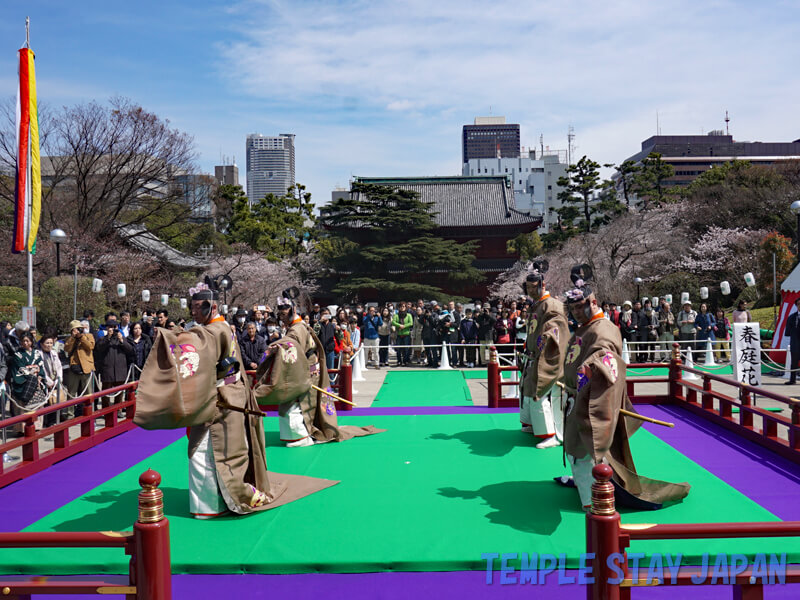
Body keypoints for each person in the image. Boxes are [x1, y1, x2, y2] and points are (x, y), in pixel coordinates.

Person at [136, 285, 332, 518]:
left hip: (221, 401)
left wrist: (166, 335)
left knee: (205, 453)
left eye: (199, 307)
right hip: (228, 397)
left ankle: (209, 505)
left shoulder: (212, 331)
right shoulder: (217, 329)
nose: (194, 312)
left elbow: (193, 346)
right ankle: (215, 500)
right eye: (193, 307)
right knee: (221, 452)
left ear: (214, 307)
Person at [556, 264, 690, 511]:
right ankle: (584, 487)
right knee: (578, 448)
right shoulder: (585, 327)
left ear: (593, 302)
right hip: (577, 395)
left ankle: (592, 500)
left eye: (579, 306)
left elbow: (606, 356)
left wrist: (590, 368)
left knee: (588, 451)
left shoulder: (604, 328)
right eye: (572, 308)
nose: (575, 312)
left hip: (592, 397)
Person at [256, 290, 383, 447]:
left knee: (299, 405)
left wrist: (274, 347)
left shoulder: (297, 329)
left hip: (307, 374)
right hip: (306, 370)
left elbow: (291, 342)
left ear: (292, 311)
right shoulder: (297, 325)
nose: (282, 318)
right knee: (296, 404)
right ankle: (306, 431)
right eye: (280, 315)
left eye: (284, 315)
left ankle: (302, 436)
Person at [519, 261, 569, 449]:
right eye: (529, 288)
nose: (531, 291)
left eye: (534, 287)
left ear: (543, 285)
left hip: (549, 357)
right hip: (533, 356)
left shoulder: (552, 305)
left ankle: (554, 434)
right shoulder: (536, 305)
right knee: (528, 391)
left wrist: (544, 340)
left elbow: (554, 329)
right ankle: (535, 425)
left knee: (545, 396)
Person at [9, 332, 45, 432]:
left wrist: (40, 376)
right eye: (23, 341)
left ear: (31, 341)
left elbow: (40, 367)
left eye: (27, 341)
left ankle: (37, 426)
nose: (25, 343)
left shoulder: (37, 353)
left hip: (36, 383)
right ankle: (22, 429)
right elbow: (20, 369)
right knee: (22, 407)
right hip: (24, 383)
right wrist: (32, 373)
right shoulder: (18, 355)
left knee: (37, 406)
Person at [94, 320, 135, 408]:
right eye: (110, 327)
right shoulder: (103, 339)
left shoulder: (123, 338)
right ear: (107, 328)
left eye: (115, 327)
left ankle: (118, 409)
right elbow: (99, 349)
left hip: (120, 370)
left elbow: (130, 350)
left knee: (119, 393)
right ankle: (106, 411)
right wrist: (108, 338)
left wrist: (121, 341)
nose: (113, 329)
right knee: (106, 393)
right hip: (107, 370)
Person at [63, 319, 95, 418]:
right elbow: (66, 349)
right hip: (74, 367)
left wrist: (81, 337)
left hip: (86, 367)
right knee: (71, 392)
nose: (77, 331)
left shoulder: (88, 336)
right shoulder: (69, 339)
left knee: (88, 392)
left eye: (79, 329)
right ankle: (70, 414)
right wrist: (73, 338)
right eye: (75, 329)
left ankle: (89, 413)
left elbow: (90, 347)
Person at [39, 333, 65, 427]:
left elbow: (59, 366)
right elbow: (41, 370)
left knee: (56, 401)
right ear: (42, 344)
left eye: (51, 343)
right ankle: (46, 422)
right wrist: (49, 382)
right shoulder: (39, 354)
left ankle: (53, 421)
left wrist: (59, 378)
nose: (49, 345)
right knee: (47, 403)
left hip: (55, 381)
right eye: (47, 343)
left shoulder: (54, 353)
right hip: (45, 382)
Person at [392, 302, 414, 366]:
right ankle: (399, 361)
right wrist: (399, 325)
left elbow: (411, 323)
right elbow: (393, 322)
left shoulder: (408, 315)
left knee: (406, 348)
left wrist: (404, 326)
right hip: (399, 334)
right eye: (401, 306)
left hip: (406, 334)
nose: (402, 308)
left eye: (404, 306)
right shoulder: (396, 315)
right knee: (398, 348)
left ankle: (405, 360)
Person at [784, 297, 800, 384]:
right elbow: (788, 331)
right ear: (796, 306)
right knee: (794, 363)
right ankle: (792, 379)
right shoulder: (792, 317)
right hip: (795, 343)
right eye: (798, 304)